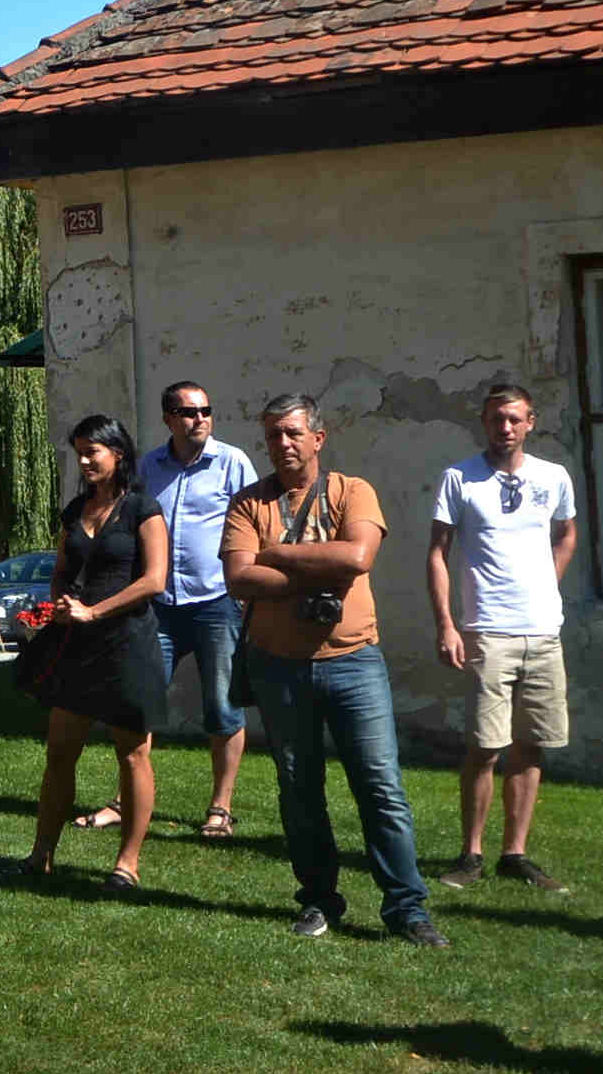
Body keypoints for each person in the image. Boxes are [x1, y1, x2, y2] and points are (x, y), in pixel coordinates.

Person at [224, 396, 440, 946]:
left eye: (293, 433)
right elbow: (240, 578)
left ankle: (407, 908)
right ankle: (319, 899)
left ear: (318, 438)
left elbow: (358, 558)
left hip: (353, 662)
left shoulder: (352, 490)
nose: (282, 443)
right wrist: (321, 569)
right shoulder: (249, 503)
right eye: (273, 435)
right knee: (299, 789)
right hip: (278, 666)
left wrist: (277, 555)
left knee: (380, 786)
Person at [426, 381, 580, 892]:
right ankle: (470, 854)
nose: (505, 427)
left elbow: (566, 534)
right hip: (486, 631)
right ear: (485, 423)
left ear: (530, 423)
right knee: (485, 747)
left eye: (515, 419)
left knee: (532, 745)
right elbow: (437, 554)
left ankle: (515, 854)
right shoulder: (460, 478)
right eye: (497, 419)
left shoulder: (553, 476)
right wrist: (447, 624)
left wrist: (546, 585)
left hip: (543, 631)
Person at [22, 412, 169, 885]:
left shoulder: (143, 508)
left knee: (133, 754)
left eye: (92, 452)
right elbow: (61, 570)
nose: (84, 461)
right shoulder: (75, 510)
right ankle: (41, 854)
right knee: (60, 753)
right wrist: (60, 605)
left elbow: (154, 580)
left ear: (117, 454)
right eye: (79, 453)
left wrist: (95, 611)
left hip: (128, 643)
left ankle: (128, 864)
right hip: (77, 647)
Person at [134, 380, 261, 839]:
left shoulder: (232, 462)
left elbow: (256, 523)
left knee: (223, 707)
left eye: (205, 410)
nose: (200, 419)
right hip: (160, 605)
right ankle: (129, 797)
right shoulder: (148, 467)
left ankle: (220, 808)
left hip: (216, 602)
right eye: (189, 412)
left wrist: (247, 587)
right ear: (169, 418)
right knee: (140, 702)